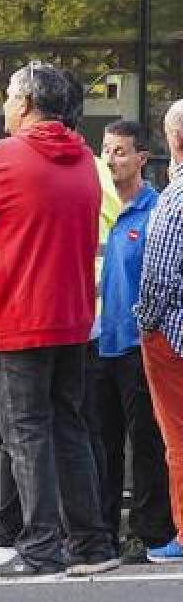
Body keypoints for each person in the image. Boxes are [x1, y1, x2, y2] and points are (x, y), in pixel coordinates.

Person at [0, 62, 117, 578]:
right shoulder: (82, 157)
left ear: (27, 104)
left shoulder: (6, 157)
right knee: (69, 429)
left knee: (26, 435)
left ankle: (39, 548)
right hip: (73, 317)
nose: (4, 108)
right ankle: (91, 544)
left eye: (10, 98)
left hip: (19, 317)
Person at [96, 119, 174, 563]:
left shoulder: (157, 211)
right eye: (106, 150)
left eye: (120, 151)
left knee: (145, 442)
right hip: (98, 342)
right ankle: (100, 529)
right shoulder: (99, 207)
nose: (110, 159)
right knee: (100, 443)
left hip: (138, 345)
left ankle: (148, 531)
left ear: (143, 158)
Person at [135, 99, 183, 562]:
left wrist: (146, 323)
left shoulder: (173, 201)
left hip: (174, 337)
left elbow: (158, 277)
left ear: (173, 141)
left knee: (179, 440)